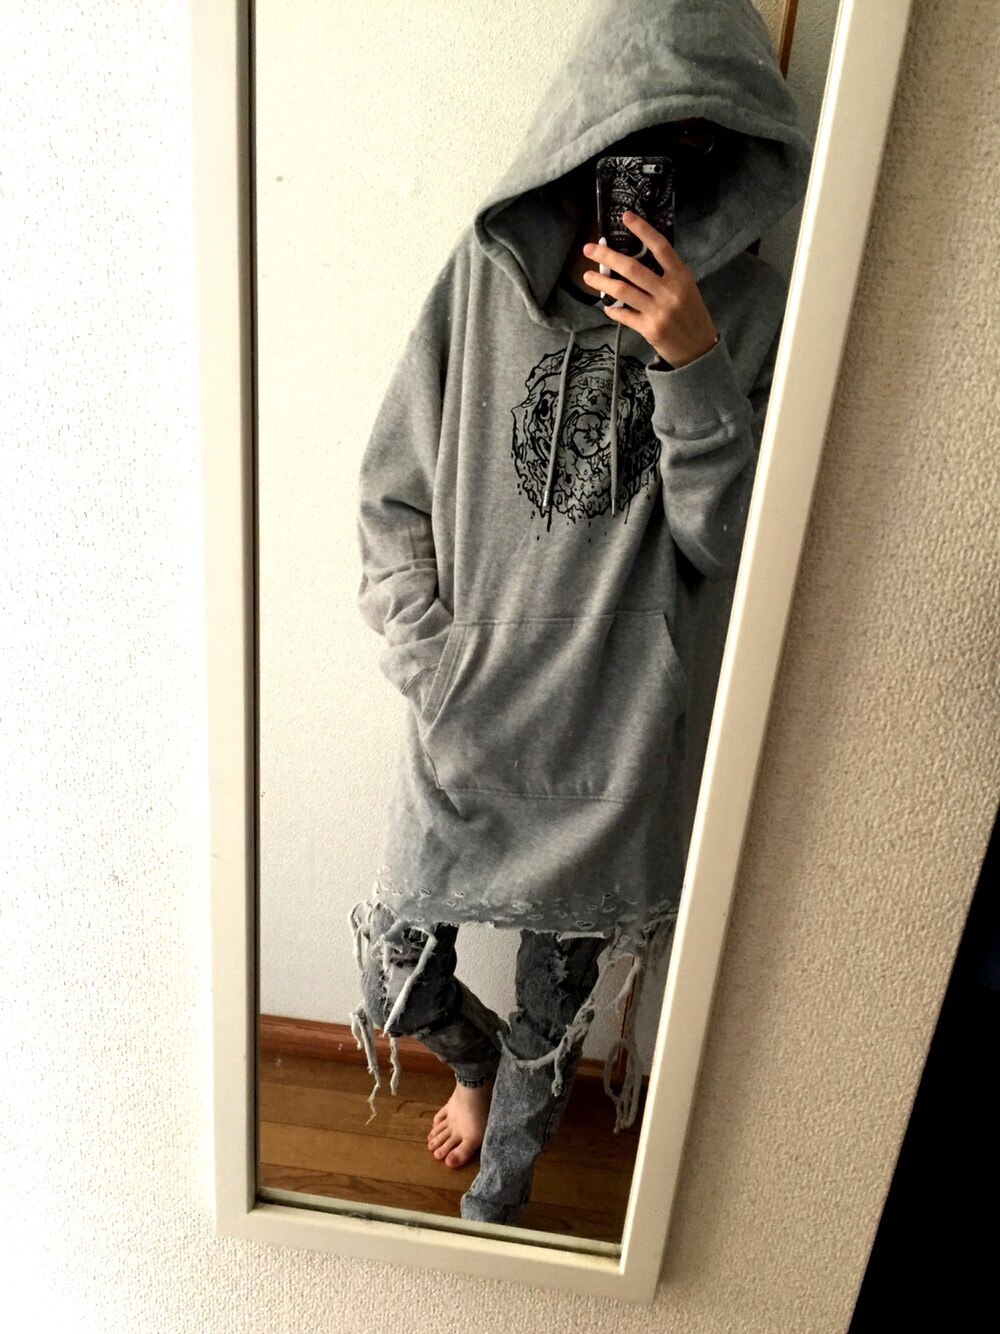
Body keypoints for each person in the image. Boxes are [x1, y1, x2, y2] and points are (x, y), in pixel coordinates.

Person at [348, 0, 811, 1226]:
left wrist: (692, 364)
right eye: (636, 141)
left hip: (610, 744)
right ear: (584, 130)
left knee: (553, 1020)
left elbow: (724, 549)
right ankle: (471, 1065)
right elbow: (389, 491)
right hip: (464, 719)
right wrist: (431, 658)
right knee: (397, 972)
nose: (660, 175)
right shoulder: (480, 279)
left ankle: (497, 1199)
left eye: (696, 146)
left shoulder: (752, 313)